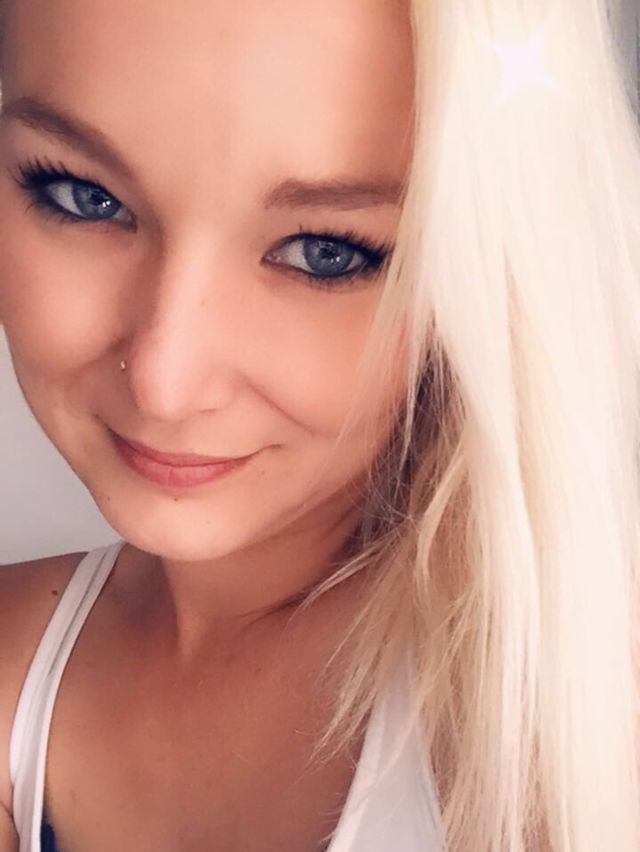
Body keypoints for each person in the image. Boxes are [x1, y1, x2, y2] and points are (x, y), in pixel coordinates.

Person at [0, 0, 639, 849]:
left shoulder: (577, 725)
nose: (164, 383)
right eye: (86, 198)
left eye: (324, 252)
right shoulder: (15, 662)